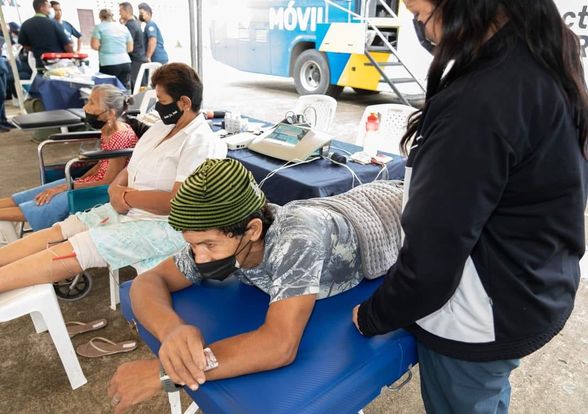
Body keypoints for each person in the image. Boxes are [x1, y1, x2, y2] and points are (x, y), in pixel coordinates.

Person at [351, 1, 588, 413]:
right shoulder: (540, 56)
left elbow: (432, 259)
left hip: (481, 316)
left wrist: (373, 315)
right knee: (487, 395)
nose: (423, 31)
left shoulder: (480, 101)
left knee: (466, 398)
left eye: (421, 15)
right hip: (534, 286)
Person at [107, 158, 405, 413]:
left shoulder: (296, 241)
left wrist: (165, 374)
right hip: (342, 207)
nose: (199, 256)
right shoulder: (219, 238)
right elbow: (148, 282)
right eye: (193, 245)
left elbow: (278, 346)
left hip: (392, 211)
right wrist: (171, 329)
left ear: (252, 229)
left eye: (208, 244)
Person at [0, 63, 227, 294]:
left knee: (79, 247)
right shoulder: (161, 127)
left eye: (162, 100)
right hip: (127, 207)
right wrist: (116, 189)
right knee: (61, 230)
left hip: (163, 224)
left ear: (185, 103)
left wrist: (126, 198)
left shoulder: (200, 142)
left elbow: (178, 202)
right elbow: (133, 164)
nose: (157, 106)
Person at [0, 85, 138, 241]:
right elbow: (101, 164)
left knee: (40, 203)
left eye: (92, 103)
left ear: (110, 113)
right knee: (30, 195)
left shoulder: (120, 136)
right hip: (91, 183)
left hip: (101, 191)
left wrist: (66, 187)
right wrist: (75, 181)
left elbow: (108, 180)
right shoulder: (109, 129)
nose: (85, 107)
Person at [18, 0, 73, 68]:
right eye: (49, 7)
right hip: (58, 63)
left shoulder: (25, 25)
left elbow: (25, 46)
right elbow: (67, 45)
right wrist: (72, 56)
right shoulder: (54, 23)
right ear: (42, 8)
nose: (50, 10)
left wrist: (37, 49)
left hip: (40, 64)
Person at [91, 9, 133, 89]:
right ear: (112, 16)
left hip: (108, 63)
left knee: (108, 91)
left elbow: (95, 46)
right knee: (122, 89)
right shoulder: (123, 27)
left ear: (100, 17)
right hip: (125, 63)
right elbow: (130, 48)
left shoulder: (99, 27)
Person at [119, 2, 147, 91]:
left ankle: (138, 105)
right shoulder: (135, 23)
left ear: (126, 11)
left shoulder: (130, 26)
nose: (119, 13)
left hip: (135, 60)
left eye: (120, 10)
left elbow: (128, 46)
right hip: (140, 58)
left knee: (136, 87)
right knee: (141, 86)